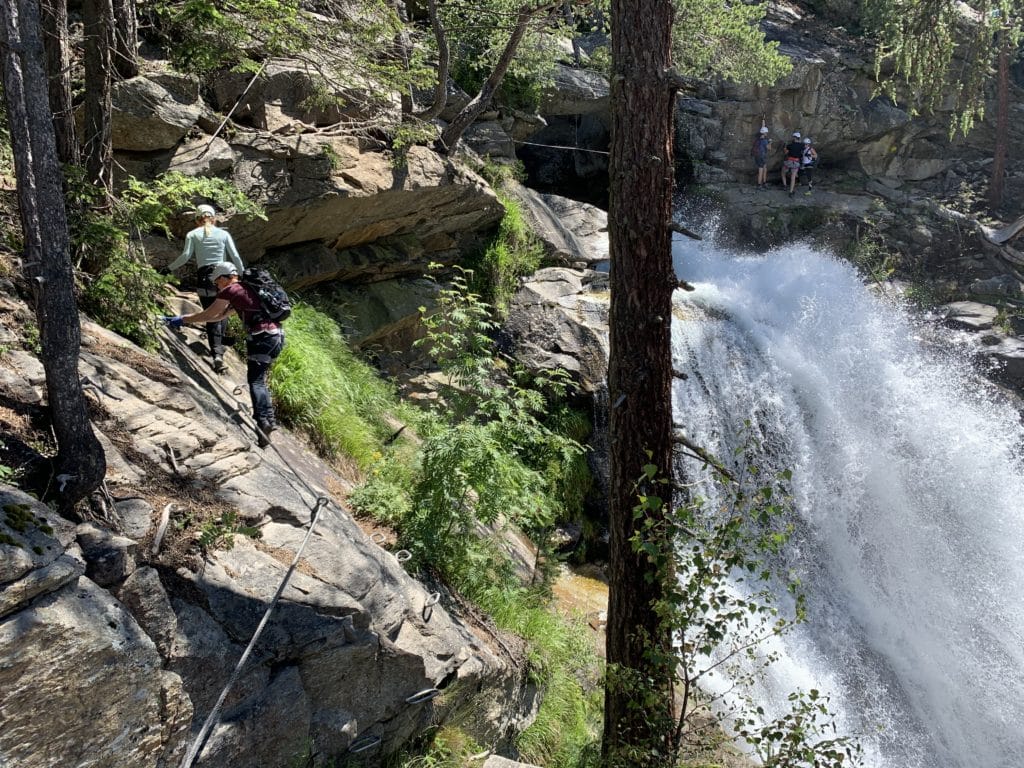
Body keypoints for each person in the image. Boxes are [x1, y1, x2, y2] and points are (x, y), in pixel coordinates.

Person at [164, 262, 284, 447]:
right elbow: (219, 317)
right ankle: (268, 421)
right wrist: (186, 320)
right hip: (276, 337)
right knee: (259, 379)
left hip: (262, 336)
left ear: (223, 277)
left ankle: (264, 421)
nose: (217, 286)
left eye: (217, 282)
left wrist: (182, 320)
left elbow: (209, 314)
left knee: (256, 381)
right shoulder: (247, 290)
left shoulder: (231, 290)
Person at [165, 204, 244, 373]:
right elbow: (235, 256)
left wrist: (168, 269)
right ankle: (218, 351)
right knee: (222, 313)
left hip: (205, 279)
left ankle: (217, 352)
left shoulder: (193, 234)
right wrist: (244, 275)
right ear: (214, 218)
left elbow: (185, 256)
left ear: (196, 220)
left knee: (210, 313)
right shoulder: (223, 234)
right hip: (225, 277)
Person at [781, 131, 803, 197]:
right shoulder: (802, 145)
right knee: (793, 177)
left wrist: (785, 147)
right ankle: (791, 192)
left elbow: (785, 152)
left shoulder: (790, 145)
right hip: (796, 162)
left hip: (789, 162)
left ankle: (785, 185)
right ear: (799, 138)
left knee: (783, 173)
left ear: (794, 137)